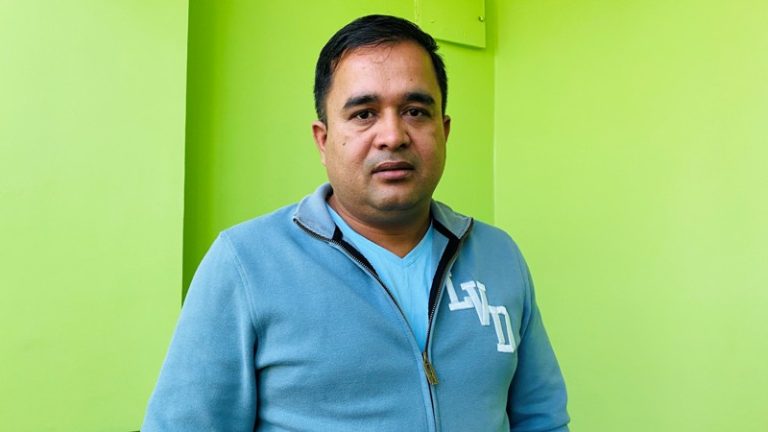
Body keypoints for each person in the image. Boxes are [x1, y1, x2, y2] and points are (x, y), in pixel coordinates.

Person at [142, 14, 569, 432]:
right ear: (323, 140)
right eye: (364, 113)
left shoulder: (498, 256)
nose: (393, 136)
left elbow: (542, 420)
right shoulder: (246, 263)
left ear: (444, 130)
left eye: (415, 111)